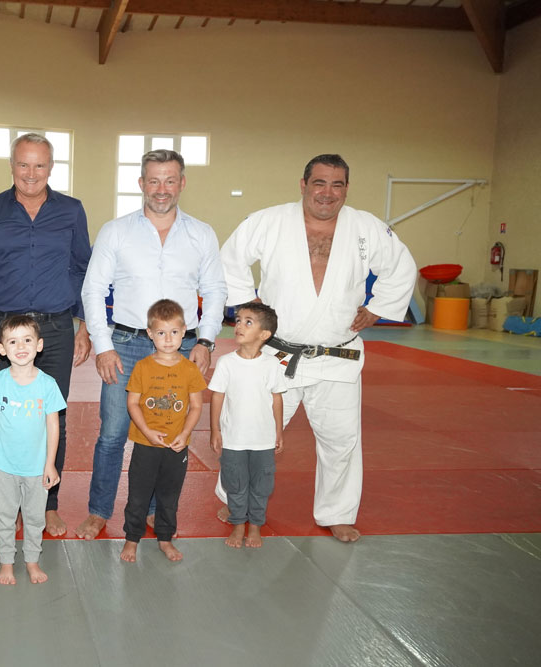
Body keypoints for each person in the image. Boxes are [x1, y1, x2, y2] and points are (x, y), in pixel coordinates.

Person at [217, 154, 417, 542]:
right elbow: (231, 258)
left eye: (337, 184)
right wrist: (247, 302)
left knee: (341, 441)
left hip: (337, 355)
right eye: (319, 183)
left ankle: (336, 512)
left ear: (346, 189)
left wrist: (378, 307)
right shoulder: (270, 221)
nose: (327, 192)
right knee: (250, 429)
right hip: (277, 354)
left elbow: (401, 265)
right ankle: (234, 497)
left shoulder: (366, 227)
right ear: (304, 184)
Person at [75, 149, 227, 539]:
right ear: (141, 183)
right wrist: (103, 345)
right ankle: (99, 510)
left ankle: (157, 512)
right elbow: (93, 289)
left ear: (182, 183)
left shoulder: (201, 234)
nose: (162, 189)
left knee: (171, 430)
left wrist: (206, 341)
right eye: (154, 180)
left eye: (170, 180)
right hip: (126, 344)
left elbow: (214, 290)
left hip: (182, 348)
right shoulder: (116, 231)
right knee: (113, 433)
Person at [0, 132, 92, 537]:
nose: (31, 173)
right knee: (5, 415)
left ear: (51, 168)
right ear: (12, 166)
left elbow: (84, 269)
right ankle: (10, 500)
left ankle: (47, 503)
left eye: (39, 165)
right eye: (23, 164)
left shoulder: (71, 210)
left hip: (56, 328)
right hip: (5, 328)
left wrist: (85, 325)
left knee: (52, 416)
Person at [0, 315, 65, 585]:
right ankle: (6, 562)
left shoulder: (48, 384)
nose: (21, 347)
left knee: (34, 518)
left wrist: (50, 464)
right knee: (5, 517)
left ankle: (32, 560)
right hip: (4, 466)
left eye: (27, 340)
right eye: (13, 341)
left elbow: (54, 426)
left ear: (39, 345)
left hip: (36, 468)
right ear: (2, 349)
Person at [120, 299, 206, 563]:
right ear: (150, 334)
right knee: (138, 495)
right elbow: (133, 403)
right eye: (161, 333)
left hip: (176, 446)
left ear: (184, 332)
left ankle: (165, 538)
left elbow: (196, 406)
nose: (168, 339)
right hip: (146, 444)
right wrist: (146, 431)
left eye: (174, 332)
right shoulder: (143, 367)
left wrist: (185, 434)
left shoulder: (189, 369)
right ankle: (131, 539)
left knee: (170, 496)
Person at [209, 302, 287, 549]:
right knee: (235, 483)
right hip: (234, 438)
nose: (239, 325)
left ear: (264, 334)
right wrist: (215, 430)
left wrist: (278, 431)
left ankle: (255, 525)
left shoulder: (272, 364)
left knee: (262, 485)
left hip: (263, 439)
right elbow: (217, 397)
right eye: (239, 320)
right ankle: (238, 524)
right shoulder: (226, 363)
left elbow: (277, 398)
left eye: (248, 322)